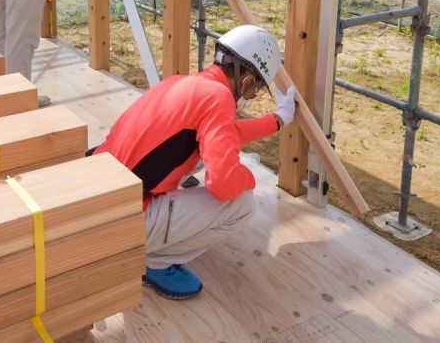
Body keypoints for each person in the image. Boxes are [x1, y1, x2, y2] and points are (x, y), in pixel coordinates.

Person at [93, 25, 298, 300]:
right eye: (253, 92)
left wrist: (277, 120)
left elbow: (226, 134)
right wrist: (247, 179)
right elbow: (224, 184)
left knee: (204, 156)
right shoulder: (219, 98)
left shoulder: (182, 84)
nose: (249, 98)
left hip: (98, 199)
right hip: (124, 219)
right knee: (242, 205)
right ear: (247, 80)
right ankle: (153, 262)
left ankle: (147, 243)